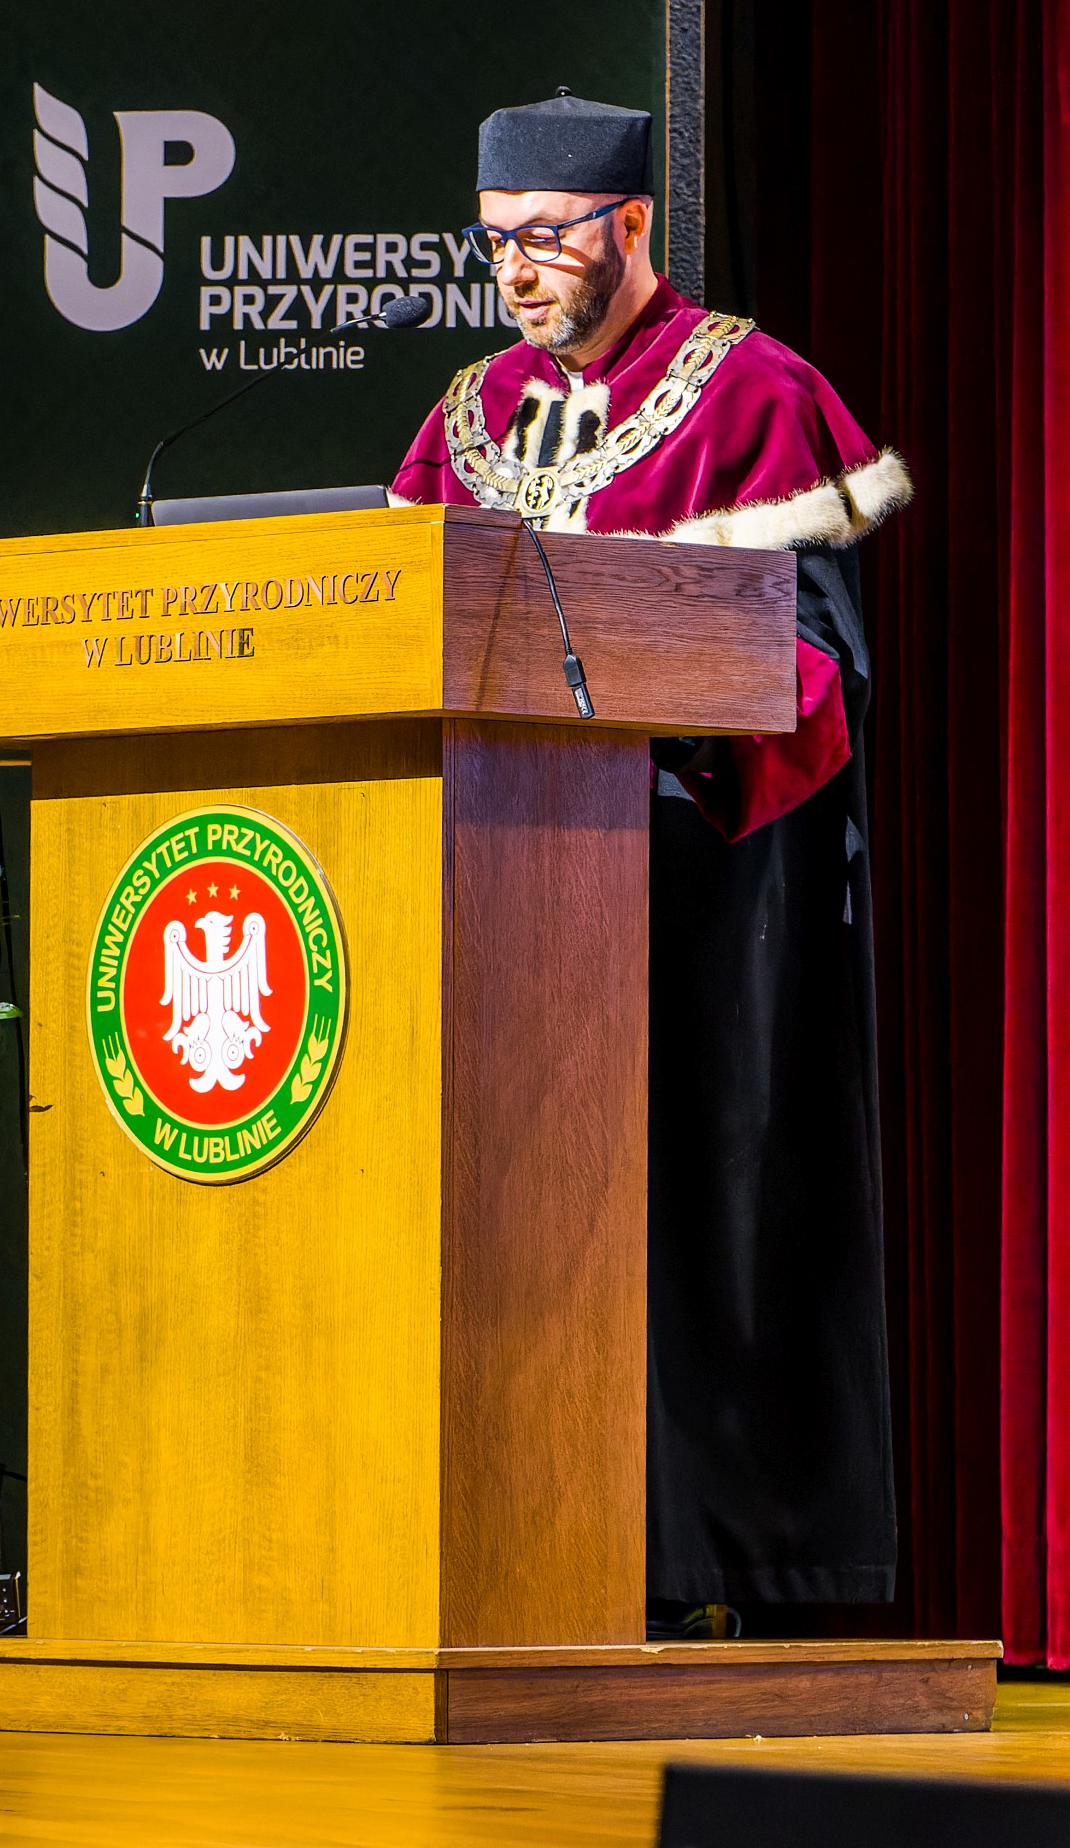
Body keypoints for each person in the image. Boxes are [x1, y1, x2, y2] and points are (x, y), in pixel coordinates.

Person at [391, 91, 910, 1613]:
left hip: (701, 882)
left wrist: (663, 741)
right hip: (491, 885)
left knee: (694, 1209)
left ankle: (712, 1565)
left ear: (629, 224)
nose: (517, 270)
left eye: (546, 238)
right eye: (496, 241)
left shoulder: (754, 393)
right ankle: (511, 1551)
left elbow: (823, 659)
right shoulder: (469, 414)